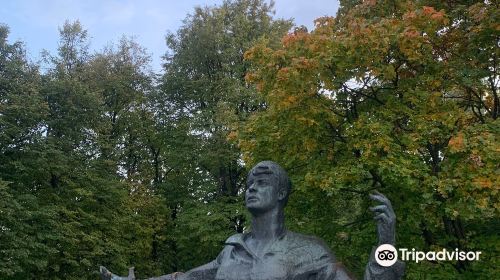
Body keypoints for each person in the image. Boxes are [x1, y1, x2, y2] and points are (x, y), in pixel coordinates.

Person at [101, 161, 405, 280]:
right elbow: (184, 279)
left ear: (282, 192)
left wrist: (386, 244)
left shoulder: (310, 251)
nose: (251, 187)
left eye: (262, 181)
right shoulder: (232, 251)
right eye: (248, 182)